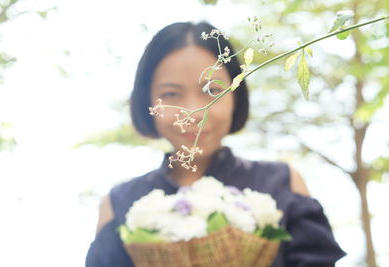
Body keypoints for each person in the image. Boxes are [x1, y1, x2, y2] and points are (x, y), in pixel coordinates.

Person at [85, 21, 346, 267]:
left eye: (212, 90)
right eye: (171, 94)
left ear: (237, 93)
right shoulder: (119, 203)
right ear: (147, 102)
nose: (194, 112)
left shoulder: (282, 182)